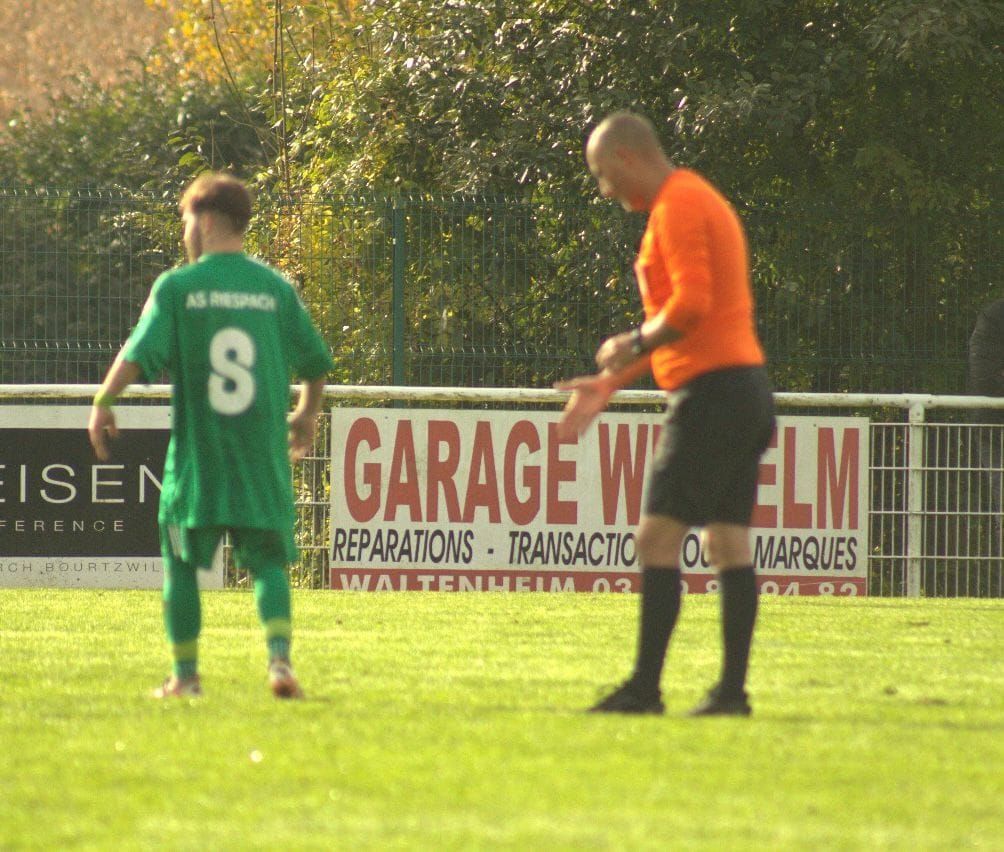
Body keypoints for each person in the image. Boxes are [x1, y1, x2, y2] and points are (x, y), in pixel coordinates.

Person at [556, 112, 775, 716]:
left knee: (655, 537)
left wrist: (631, 344)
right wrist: (611, 382)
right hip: (744, 392)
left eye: (602, 175)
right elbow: (689, 328)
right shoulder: (692, 199)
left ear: (627, 158)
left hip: (712, 397)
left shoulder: (678, 204)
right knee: (728, 543)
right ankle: (731, 694)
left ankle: (644, 689)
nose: (605, 191)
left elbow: (691, 305)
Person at [88, 173, 334, 700]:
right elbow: (316, 363)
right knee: (268, 562)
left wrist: (105, 401)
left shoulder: (178, 287)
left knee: (179, 563)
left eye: (184, 222)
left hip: (198, 461)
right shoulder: (274, 288)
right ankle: (279, 663)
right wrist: (307, 413)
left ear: (200, 220)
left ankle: (185, 677)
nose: (184, 233)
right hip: (260, 456)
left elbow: (137, 353)